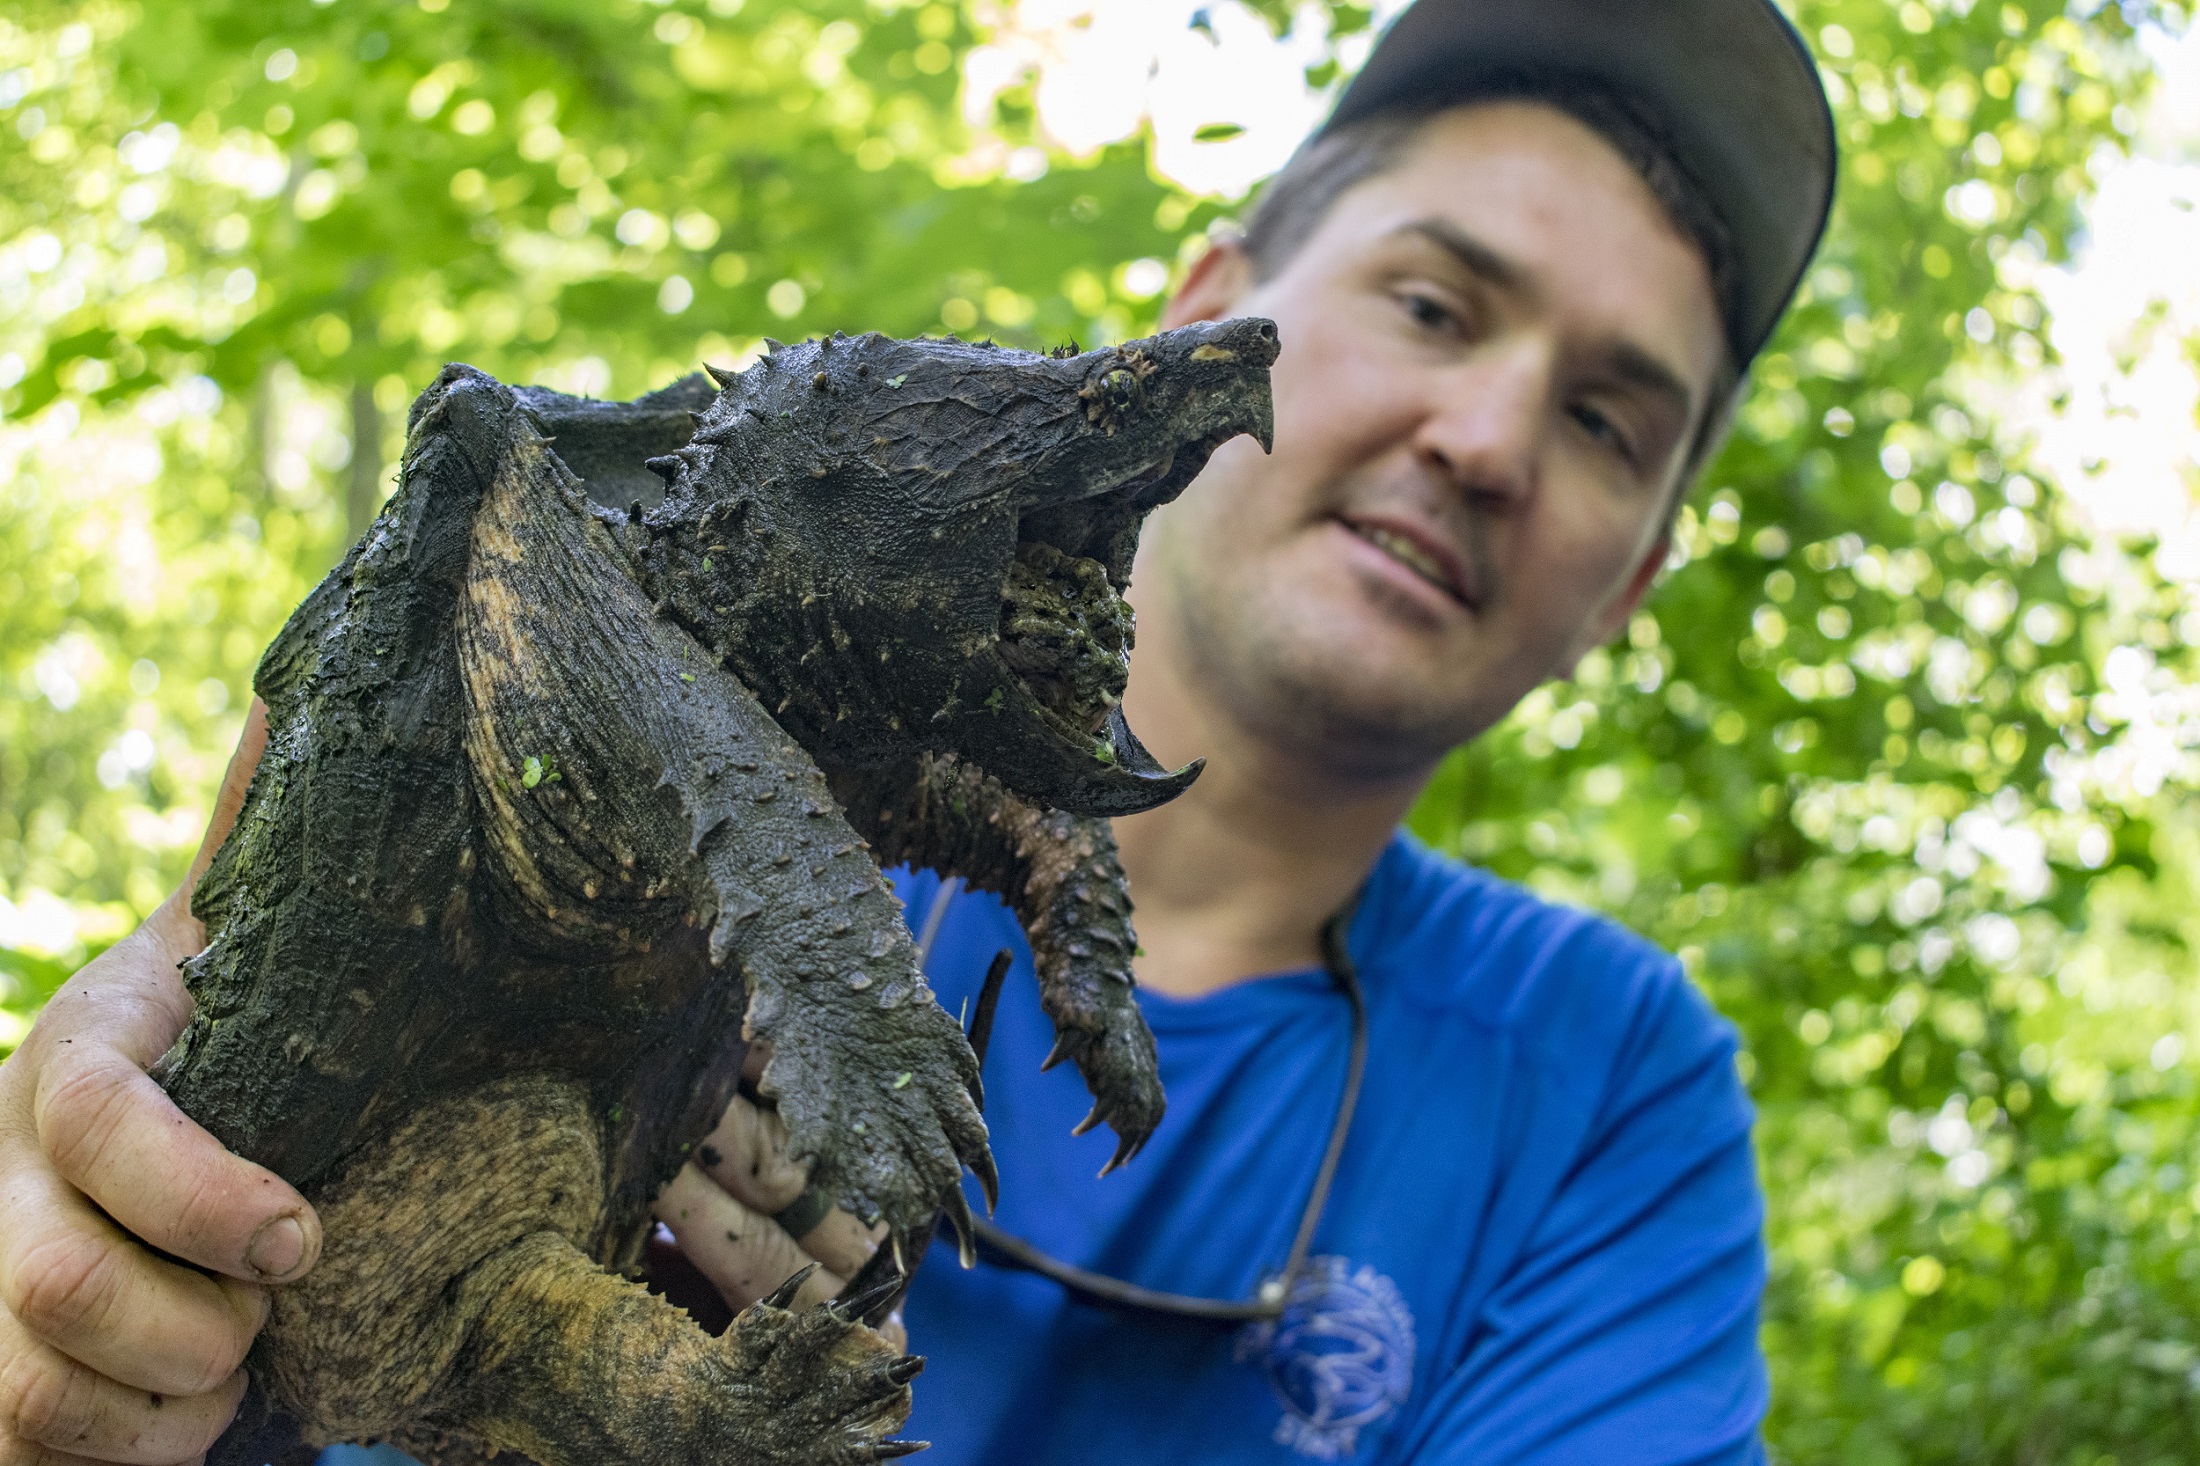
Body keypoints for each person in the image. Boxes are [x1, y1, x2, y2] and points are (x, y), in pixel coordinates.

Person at [0, 0, 1836, 1460]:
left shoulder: (1606, 1085)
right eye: (1435, 302)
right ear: (1206, 316)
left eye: (1607, 418)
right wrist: (78, 1276)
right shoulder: (652, 648)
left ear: (1634, 577)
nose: (1491, 437)